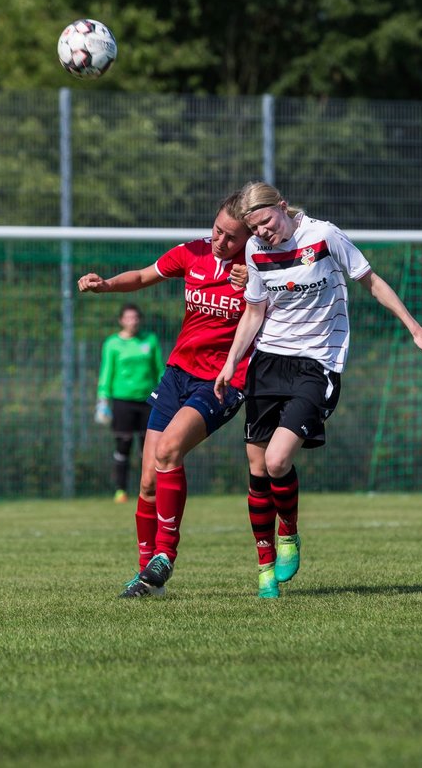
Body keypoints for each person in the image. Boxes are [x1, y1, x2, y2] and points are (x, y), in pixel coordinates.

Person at [214, 181, 422, 598]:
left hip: (317, 362)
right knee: (257, 469)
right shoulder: (255, 251)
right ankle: (265, 568)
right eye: (255, 229)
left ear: (282, 207)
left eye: (266, 223)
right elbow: (254, 311)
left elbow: (370, 281)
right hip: (268, 362)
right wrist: (232, 361)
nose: (263, 234)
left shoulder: (324, 236)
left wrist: (414, 328)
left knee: (278, 460)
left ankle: (290, 534)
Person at [78, 193, 253, 598]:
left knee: (170, 450)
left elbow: (282, 306)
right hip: (177, 375)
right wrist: (106, 285)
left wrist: (259, 281)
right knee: (147, 482)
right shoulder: (191, 254)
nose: (219, 240)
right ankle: (146, 579)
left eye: (230, 237)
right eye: (217, 230)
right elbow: (141, 277)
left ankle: (165, 556)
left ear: (247, 238)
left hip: (223, 381)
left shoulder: (257, 268)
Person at [95, 303, 164, 504]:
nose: (132, 321)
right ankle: (120, 490)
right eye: (128, 318)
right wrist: (102, 399)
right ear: (121, 321)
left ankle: (149, 489)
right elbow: (106, 372)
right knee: (123, 444)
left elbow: (159, 368)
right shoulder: (112, 344)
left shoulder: (149, 340)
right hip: (122, 401)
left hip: (148, 400)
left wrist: (164, 393)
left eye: (135, 317)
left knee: (149, 448)